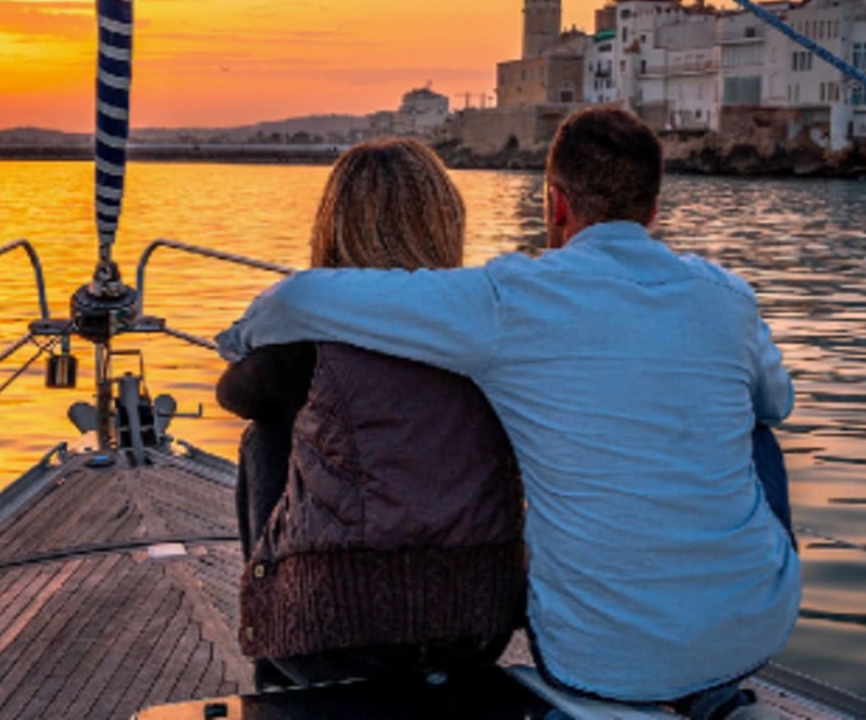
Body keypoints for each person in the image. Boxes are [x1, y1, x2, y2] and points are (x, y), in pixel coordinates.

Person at [216, 107, 801, 715]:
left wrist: (237, 341)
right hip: (750, 635)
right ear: (654, 211)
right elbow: (777, 401)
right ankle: (713, 686)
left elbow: (302, 296)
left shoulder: (506, 300)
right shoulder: (729, 296)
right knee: (756, 428)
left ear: (554, 204)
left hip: (592, 660)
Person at [216, 137, 527, 688]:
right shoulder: (493, 328)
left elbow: (233, 394)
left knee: (265, 435)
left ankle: (272, 668)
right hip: (478, 628)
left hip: (333, 640)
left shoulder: (307, 338)